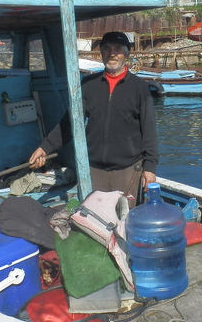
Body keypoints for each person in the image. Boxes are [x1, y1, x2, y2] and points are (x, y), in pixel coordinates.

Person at [29, 31, 158, 203]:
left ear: (126, 54)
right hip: (93, 170)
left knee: (124, 222)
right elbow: (70, 124)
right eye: (107, 48)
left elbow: (149, 130)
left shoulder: (139, 88)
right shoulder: (88, 85)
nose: (112, 53)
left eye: (117, 48)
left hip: (128, 170)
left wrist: (149, 167)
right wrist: (45, 148)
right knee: (94, 222)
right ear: (101, 53)